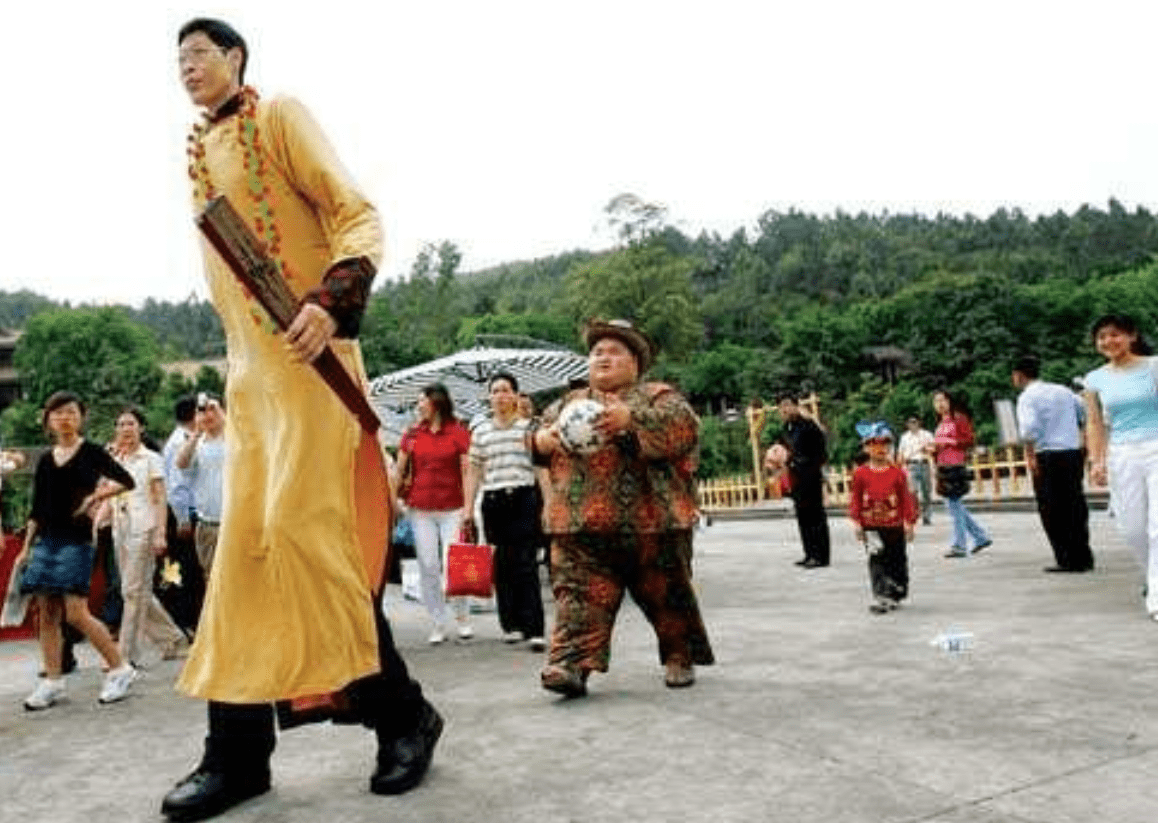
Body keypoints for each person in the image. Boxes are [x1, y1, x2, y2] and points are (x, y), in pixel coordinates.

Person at [166, 19, 441, 822]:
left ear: (237, 59)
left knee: (303, 541)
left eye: (200, 54)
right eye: (177, 60)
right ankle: (239, 756)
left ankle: (402, 715)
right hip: (250, 386)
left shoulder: (278, 115)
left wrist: (331, 300)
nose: (186, 68)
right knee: (244, 560)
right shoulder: (195, 151)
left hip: (312, 365)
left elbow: (356, 214)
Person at [530, 319, 713, 696]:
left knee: (667, 595)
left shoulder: (659, 397)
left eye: (615, 351)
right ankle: (570, 665)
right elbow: (532, 436)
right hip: (579, 525)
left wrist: (633, 420)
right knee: (578, 598)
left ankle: (679, 654)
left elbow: (683, 429)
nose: (603, 357)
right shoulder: (568, 403)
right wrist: (541, 441)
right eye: (597, 351)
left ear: (635, 362)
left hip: (651, 522)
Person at [14, 391, 140, 709]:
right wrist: (26, 548)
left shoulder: (92, 452)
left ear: (80, 417)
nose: (64, 418)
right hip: (47, 541)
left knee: (76, 612)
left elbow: (127, 480)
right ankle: (53, 681)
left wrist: (96, 497)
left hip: (77, 539)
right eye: (57, 413)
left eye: (70, 412)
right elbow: (37, 509)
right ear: (48, 420)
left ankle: (120, 668)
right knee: (47, 614)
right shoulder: (45, 460)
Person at [461, 373, 545, 650]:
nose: (500, 395)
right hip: (494, 501)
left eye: (505, 390)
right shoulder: (481, 432)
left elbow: (539, 468)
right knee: (502, 565)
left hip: (524, 497)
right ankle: (511, 625)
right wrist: (467, 510)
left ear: (516, 396)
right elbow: (473, 471)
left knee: (526, 563)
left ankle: (534, 628)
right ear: (489, 397)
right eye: (495, 391)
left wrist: (550, 502)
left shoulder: (528, 429)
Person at [1083, 313, 1158, 619]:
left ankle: (1156, 595)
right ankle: (1152, 576)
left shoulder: (1154, 367)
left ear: (1132, 336)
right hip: (1122, 454)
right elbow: (1094, 423)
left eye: (1115, 334)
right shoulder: (1094, 379)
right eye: (1102, 337)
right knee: (1132, 528)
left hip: (1157, 447)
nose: (1108, 341)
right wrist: (1096, 461)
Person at [109, 406, 189, 666]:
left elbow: (159, 497)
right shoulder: (114, 459)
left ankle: (125, 655)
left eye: (131, 424)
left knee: (132, 591)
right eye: (121, 424)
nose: (125, 429)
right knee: (135, 591)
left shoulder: (151, 458)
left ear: (141, 428)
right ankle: (174, 640)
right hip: (119, 529)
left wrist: (160, 533)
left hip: (144, 529)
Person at [395, 383, 473, 644]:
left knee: (454, 564)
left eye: (422, 401)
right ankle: (438, 621)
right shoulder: (413, 434)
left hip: (452, 507)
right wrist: (393, 500)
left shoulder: (458, 433)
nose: (418, 406)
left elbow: (466, 471)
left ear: (436, 403)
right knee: (428, 566)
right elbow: (400, 468)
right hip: (420, 509)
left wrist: (468, 509)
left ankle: (462, 617)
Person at [1012, 355, 1094, 573]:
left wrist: (1030, 455)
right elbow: (1085, 412)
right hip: (1071, 453)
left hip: (1047, 456)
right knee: (1075, 505)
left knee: (1051, 508)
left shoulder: (1027, 397)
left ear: (1019, 375)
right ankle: (1084, 556)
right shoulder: (1063, 390)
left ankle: (1066, 558)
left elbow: (1029, 430)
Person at [849, 422, 917, 614]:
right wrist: (856, 523)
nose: (880, 448)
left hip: (894, 525)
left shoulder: (897, 473)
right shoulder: (860, 473)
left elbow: (906, 499)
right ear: (866, 448)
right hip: (871, 527)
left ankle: (896, 592)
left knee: (897, 560)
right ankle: (882, 596)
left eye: (885, 444)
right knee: (876, 560)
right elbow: (855, 499)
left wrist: (909, 522)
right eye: (874, 444)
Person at [160, 394, 205, 632]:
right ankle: (186, 621)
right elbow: (177, 486)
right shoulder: (181, 442)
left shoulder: (181, 438)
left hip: (182, 513)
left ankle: (184, 619)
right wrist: (183, 519)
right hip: (184, 515)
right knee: (187, 570)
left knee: (183, 569)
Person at [932, 390, 992, 558]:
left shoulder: (958, 418)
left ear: (950, 401)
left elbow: (969, 440)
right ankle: (980, 537)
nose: (940, 404)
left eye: (943, 400)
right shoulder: (940, 422)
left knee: (954, 505)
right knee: (954, 505)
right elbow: (940, 446)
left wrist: (949, 441)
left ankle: (960, 545)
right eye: (936, 401)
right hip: (942, 466)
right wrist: (933, 448)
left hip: (955, 465)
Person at [776, 392, 831, 568]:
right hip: (795, 475)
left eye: (787, 404)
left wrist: (814, 470)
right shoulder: (787, 428)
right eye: (781, 406)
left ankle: (821, 556)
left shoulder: (808, 425)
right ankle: (809, 553)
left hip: (810, 474)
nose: (784, 409)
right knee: (802, 515)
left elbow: (821, 450)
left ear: (795, 405)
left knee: (816, 515)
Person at [176, 394, 227, 575]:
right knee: (211, 578)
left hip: (233, 523)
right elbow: (181, 463)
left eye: (213, 409)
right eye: (202, 411)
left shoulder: (236, 438)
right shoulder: (196, 444)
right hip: (207, 524)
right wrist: (196, 433)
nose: (208, 415)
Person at [897, 417, 934, 525]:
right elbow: (901, 452)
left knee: (926, 491)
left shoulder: (926, 435)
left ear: (919, 423)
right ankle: (915, 514)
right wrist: (900, 463)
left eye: (914, 422)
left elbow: (934, 448)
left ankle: (927, 516)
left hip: (924, 463)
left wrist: (926, 449)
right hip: (911, 465)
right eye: (910, 423)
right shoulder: (904, 437)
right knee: (913, 491)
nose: (912, 424)